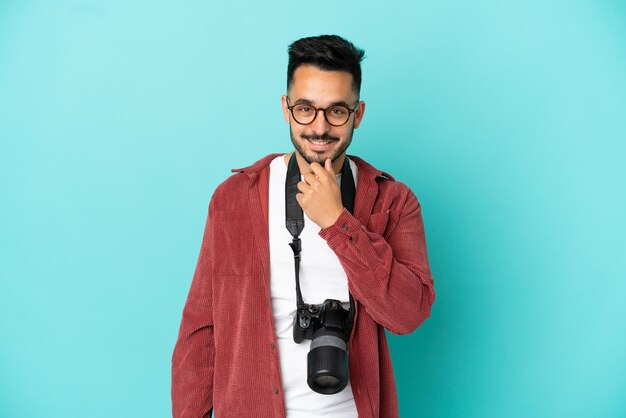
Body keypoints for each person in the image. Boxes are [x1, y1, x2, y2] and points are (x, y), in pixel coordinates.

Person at [171, 34, 435, 418]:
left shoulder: (393, 201)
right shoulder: (235, 198)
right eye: (306, 109)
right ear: (286, 108)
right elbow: (201, 331)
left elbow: (408, 314)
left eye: (337, 111)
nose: (320, 127)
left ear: (358, 114)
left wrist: (337, 222)